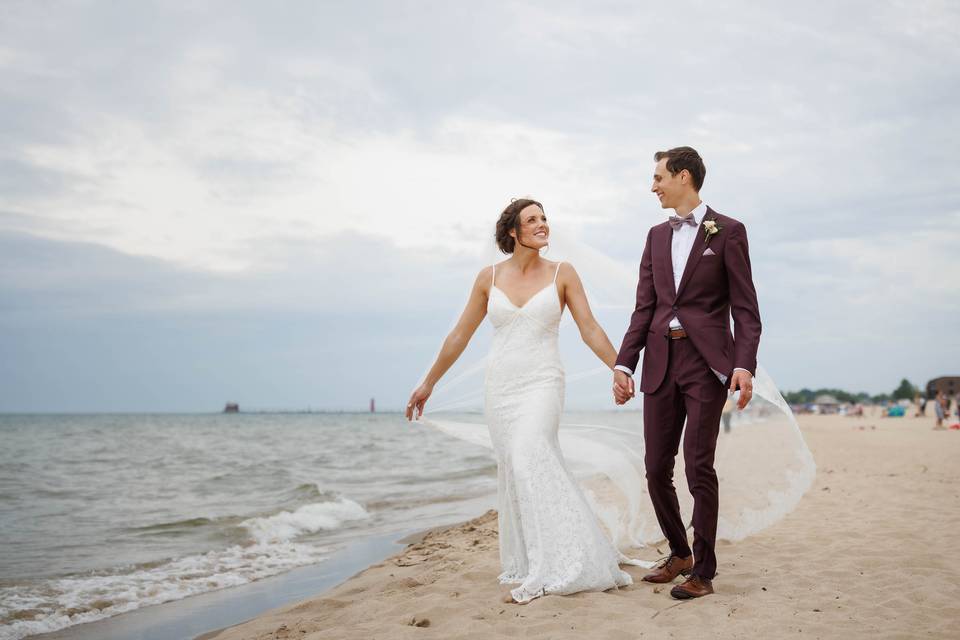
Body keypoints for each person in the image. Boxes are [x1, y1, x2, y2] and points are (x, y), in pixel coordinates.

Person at [405, 198, 637, 604]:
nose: (543, 224)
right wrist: (428, 383)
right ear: (513, 231)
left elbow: (589, 327)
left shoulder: (563, 273)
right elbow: (459, 335)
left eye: (545, 218)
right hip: (501, 388)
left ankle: (563, 562)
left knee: (531, 453)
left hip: (543, 382)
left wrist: (620, 368)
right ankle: (540, 557)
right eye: (533, 220)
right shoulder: (487, 278)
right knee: (519, 466)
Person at [612, 147, 762, 600]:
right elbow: (645, 307)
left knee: (698, 465)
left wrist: (742, 364)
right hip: (659, 361)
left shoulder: (728, 231)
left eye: (658, 177)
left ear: (682, 176)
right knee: (656, 467)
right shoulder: (655, 236)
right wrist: (624, 363)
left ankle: (705, 572)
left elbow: (746, 309)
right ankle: (680, 552)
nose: (652, 186)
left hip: (705, 364)